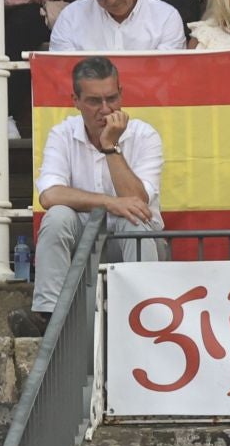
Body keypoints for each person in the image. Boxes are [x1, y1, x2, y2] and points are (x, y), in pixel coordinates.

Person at [16, 55, 165, 339]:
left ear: (122, 94)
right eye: (95, 101)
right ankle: (50, 317)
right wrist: (109, 202)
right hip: (82, 246)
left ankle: (144, 313)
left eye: (112, 98)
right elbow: (49, 196)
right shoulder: (62, 134)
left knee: (133, 219)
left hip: (136, 243)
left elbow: (138, 202)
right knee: (58, 216)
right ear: (76, 100)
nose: (106, 109)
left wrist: (110, 146)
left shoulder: (145, 135)